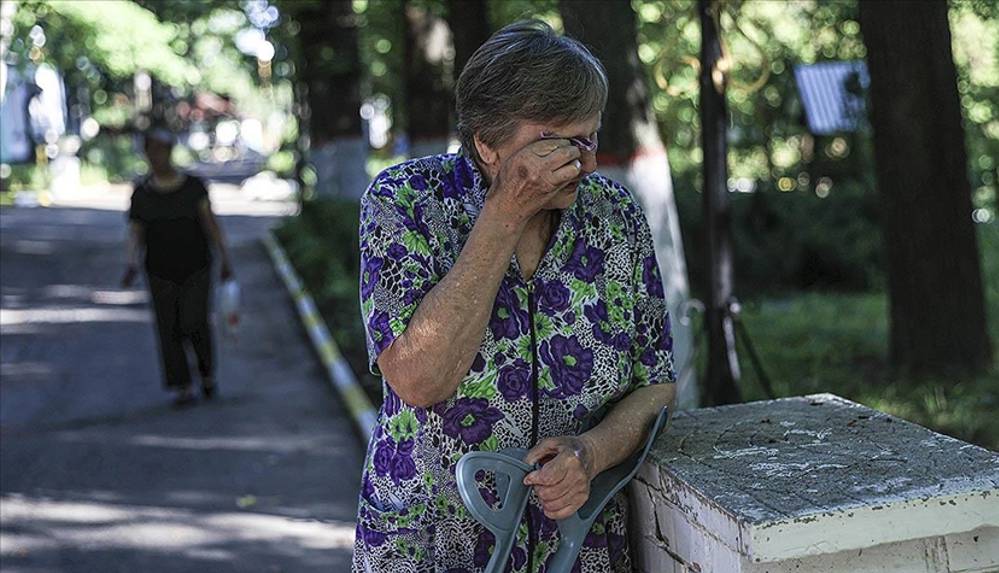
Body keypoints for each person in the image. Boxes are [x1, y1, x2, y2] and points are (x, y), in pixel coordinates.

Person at [353, 20, 676, 572]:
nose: (587, 163)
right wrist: (504, 213)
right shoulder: (405, 204)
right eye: (561, 144)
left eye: (590, 138)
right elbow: (418, 378)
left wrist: (589, 451)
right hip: (433, 543)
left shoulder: (615, 217)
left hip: (577, 546)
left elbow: (658, 385)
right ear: (487, 144)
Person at [122, 127, 233, 408]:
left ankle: (207, 374)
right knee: (168, 327)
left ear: (170, 151)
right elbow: (136, 232)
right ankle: (182, 385)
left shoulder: (194, 187)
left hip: (197, 267)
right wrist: (130, 262)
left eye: (161, 149)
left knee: (194, 320)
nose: (156, 156)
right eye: (151, 150)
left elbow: (211, 225)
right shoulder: (142, 193)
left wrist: (225, 258)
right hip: (159, 271)